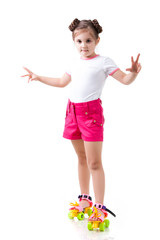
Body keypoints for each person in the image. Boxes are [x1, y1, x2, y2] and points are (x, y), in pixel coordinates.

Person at [21, 18, 141, 228]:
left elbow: (124, 80)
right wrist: (38, 77)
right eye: (79, 41)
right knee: (81, 157)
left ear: (97, 41)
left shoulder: (104, 62)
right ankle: (85, 197)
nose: (83, 45)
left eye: (88, 41)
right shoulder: (74, 63)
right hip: (72, 112)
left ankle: (100, 207)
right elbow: (61, 82)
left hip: (91, 114)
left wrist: (133, 73)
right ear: (74, 42)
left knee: (95, 162)